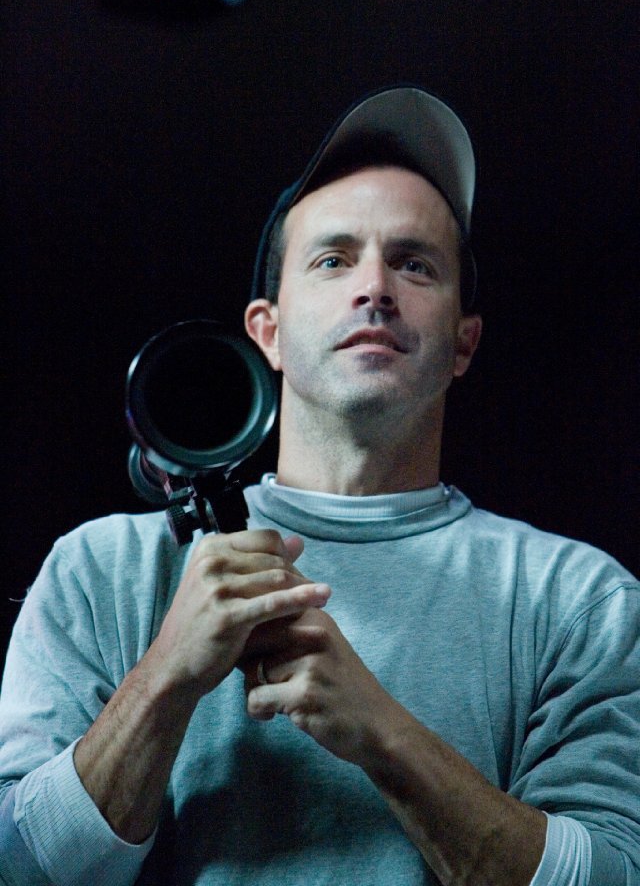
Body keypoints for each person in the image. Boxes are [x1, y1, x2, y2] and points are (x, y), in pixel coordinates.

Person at [0, 86, 638, 886]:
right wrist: (164, 679)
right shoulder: (101, 571)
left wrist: (384, 737)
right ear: (267, 331)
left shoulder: (580, 599)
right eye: (334, 260)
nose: (375, 288)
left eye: (414, 264)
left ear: (464, 342)